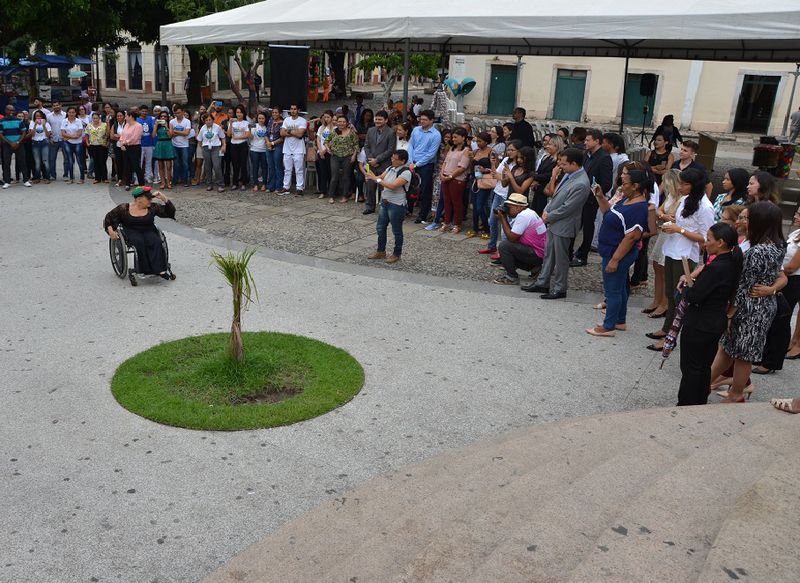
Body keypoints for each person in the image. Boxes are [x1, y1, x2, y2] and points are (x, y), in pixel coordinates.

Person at [709, 202, 786, 403]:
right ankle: (706, 383)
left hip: (751, 308)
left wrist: (729, 313)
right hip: (760, 304)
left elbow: (744, 286)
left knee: (743, 354)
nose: (743, 221)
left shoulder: (759, 251)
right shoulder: (776, 245)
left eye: (748, 218)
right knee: (728, 347)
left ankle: (736, 394)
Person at [646, 168, 715, 351]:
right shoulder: (685, 199)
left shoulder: (705, 207)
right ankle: (666, 328)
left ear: (695, 185)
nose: (680, 187)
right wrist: (671, 226)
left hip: (685, 255)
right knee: (670, 293)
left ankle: (670, 336)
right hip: (671, 249)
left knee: (679, 296)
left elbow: (707, 237)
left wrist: (680, 230)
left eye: (685, 184)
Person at [676, 223, 742, 405]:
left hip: (700, 322)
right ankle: (699, 401)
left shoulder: (716, 267)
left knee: (691, 367)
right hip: (714, 321)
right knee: (704, 366)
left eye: (709, 239)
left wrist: (685, 288)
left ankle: (687, 403)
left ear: (720, 243)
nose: (706, 242)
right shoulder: (731, 262)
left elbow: (695, 296)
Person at [586, 168, 650, 336]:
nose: (622, 185)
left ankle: (608, 326)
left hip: (618, 253)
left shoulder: (638, 207)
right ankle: (619, 321)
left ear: (636, 186)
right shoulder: (627, 199)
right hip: (612, 249)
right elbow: (608, 212)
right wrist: (600, 196)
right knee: (620, 287)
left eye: (625, 183)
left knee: (612, 290)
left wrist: (615, 259)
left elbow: (631, 237)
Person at [523, 148, 591, 299]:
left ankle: (560, 288)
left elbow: (569, 207)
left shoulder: (581, 182)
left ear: (574, 164)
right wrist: (548, 212)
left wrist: (549, 216)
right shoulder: (569, 175)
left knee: (561, 258)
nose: (561, 166)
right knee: (549, 254)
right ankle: (543, 282)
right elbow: (556, 197)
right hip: (555, 221)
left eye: (565, 164)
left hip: (564, 224)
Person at [104, 186, 176, 277]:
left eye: (151, 198)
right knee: (139, 242)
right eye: (148, 199)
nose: (150, 201)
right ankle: (144, 270)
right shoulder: (123, 208)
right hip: (131, 231)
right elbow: (109, 218)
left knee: (155, 241)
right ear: (139, 199)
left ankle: (160, 269)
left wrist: (164, 199)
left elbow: (170, 212)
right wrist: (111, 231)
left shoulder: (152, 207)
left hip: (149, 230)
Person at [569, 129, 613, 267]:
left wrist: (594, 194)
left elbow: (606, 183)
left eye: (588, 140)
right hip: (580, 196)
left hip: (590, 199)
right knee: (575, 225)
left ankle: (583, 255)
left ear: (597, 141)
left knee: (588, 226)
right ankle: (570, 252)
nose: (585, 142)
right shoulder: (587, 155)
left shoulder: (604, 158)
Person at [644, 169, 683, 318]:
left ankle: (665, 303)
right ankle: (657, 300)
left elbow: (674, 217)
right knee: (657, 265)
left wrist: (663, 215)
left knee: (666, 268)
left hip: (672, 235)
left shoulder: (682, 198)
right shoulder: (671, 196)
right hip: (664, 233)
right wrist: (664, 215)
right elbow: (660, 210)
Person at [365, 149, 412, 264]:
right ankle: (381, 251)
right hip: (385, 202)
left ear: (402, 161)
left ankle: (397, 253)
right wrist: (372, 176)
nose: (392, 160)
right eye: (392, 158)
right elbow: (380, 177)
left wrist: (377, 179)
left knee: (396, 230)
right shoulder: (390, 168)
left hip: (396, 204)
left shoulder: (406, 172)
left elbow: (392, 186)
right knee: (380, 227)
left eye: (395, 159)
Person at [492, 193, 547, 285]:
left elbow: (512, 238)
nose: (507, 210)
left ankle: (511, 277)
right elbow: (514, 234)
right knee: (509, 248)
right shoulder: (530, 212)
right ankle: (535, 268)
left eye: (509, 207)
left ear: (518, 207)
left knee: (504, 246)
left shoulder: (523, 216)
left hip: (537, 255)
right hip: (540, 254)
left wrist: (503, 219)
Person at [482, 141, 521, 253]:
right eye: (508, 150)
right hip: (498, 192)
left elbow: (508, 180)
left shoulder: (518, 165)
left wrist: (503, 177)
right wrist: (493, 164)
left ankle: (503, 251)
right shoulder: (505, 160)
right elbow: (496, 175)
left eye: (512, 150)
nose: (509, 152)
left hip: (508, 195)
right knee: (492, 220)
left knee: (506, 223)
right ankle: (492, 245)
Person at [407, 110, 442, 224]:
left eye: (425, 120)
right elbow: (411, 145)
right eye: (421, 119)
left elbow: (431, 154)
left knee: (425, 190)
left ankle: (422, 215)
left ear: (432, 120)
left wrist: (417, 164)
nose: (422, 121)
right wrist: (411, 161)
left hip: (426, 165)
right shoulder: (416, 130)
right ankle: (408, 210)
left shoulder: (436, 135)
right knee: (410, 187)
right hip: (413, 161)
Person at [438, 127, 470, 234]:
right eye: (453, 137)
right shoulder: (452, 148)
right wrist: (442, 173)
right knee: (446, 200)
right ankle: (446, 222)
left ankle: (457, 223)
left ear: (463, 137)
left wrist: (451, 176)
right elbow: (445, 162)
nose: (454, 139)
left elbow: (462, 167)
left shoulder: (466, 150)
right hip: (446, 176)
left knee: (456, 202)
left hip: (457, 179)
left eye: (456, 137)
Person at [363, 110, 395, 215]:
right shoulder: (370, 130)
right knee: (370, 186)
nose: (378, 121)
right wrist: (370, 159)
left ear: (385, 120)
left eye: (380, 119)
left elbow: (390, 150)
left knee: (383, 187)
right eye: (376, 119)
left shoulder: (391, 132)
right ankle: (369, 206)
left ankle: (384, 207)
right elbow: (366, 146)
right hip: (371, 163)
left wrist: (377, 159)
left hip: (384, 164)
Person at [325, 114, 359, 204]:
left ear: (347, 123)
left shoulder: (351, 132)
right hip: (335, 156)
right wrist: (328, 149)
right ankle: (331, 196)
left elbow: (356, 145)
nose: (341, 123)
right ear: (337, 122)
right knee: (334, 176)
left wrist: (354, 155)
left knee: (346, 176)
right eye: (340, 121)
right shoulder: (334, 132)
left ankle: (345, 196)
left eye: (344, 122)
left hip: (348, 157)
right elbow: (326, 141)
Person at [469, 132, 495, 238]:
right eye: (477, 141)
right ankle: (475, 228)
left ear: (486, 141)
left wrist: (486, 170)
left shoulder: (491, 152)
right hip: (474, 178)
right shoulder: (475, 151)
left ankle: (486, 228)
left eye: (480, 141)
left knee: (480, 206)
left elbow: (495, 168)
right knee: (474, 206)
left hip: (484, 180)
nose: (478, 143)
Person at [530, 136, 563, 215]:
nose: (547, 146)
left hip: (546, 191)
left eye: (550, 144)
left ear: (556, 146)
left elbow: (549, 175)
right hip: (538, 189)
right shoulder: (546, 157)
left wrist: (534, 177)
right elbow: (539, 171)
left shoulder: (558, 160)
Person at [279, 104, 307, 196]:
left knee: (299, 169)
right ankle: (286, 187)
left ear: (298, 110)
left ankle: (299, 188)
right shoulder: (286, 120)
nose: (293, 111)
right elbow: (282, 133)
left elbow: (300, 134)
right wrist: (295, 132)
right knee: (287, 169)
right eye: (291, 109)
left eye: (295, 109)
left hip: (298, 149)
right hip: (287, 148)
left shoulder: (302, 120)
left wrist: (289, 131)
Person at [199, 113, 226, 192]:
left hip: (216, 148)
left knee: (217, 166)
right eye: (206, 120)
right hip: (206, 148)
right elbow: (200, 140)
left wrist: (224, 145)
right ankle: (209, 184)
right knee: (207, 167)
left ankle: (220, 184)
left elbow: (223, 137)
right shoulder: (203, 128)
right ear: (204, 121)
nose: (208, 121)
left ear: (213, 120)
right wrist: (203, 147)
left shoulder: (217, 127)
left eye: (210, 120)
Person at [118, 111, 144, 191]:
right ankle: (128, 183)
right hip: (125, 147)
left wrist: (125, 142)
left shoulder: (138, 126)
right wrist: (121, 144)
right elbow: (122, 135)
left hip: (134, 147)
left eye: (126, 116)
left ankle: (141, 184)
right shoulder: (126, 125)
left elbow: (135, 137)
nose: (125, 118)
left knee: (136, 165)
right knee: (127, 165)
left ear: (131, 117)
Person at [60, 106, 86, 185]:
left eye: (73, 112)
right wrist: (71, 137)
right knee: (70, 161)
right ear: (67, 113)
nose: (71, 114)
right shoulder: (64, 121)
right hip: (68, 143)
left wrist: (67, 137)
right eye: (70, 112)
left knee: (79, 160)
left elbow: (79, 134)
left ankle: (82, 178)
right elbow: (62, 133)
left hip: (78, 143)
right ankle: (71, 178)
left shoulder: (78, 121)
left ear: (75, 113)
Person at [227, 105, 250, 191]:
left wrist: (238, 137)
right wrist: (230, 123)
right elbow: (229, 134)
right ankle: (235, 183)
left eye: (240, 112)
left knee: (243, 164)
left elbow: (247, 135)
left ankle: (244, 183)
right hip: (233, 145)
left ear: (243, 113)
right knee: (235, 164)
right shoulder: (233, 122)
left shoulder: (246, 123)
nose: (239, 114)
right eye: (237, 112)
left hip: (242, 144)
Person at [169, 107, 192, 187]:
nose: (177, 115)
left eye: (178, 113)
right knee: (176, 163)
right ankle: (175, 179)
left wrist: (175, 131)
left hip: (184, 145)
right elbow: (171, 134)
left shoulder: (187, 121)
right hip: (175, 144)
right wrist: (181, 132)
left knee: (185, 163)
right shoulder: (172, 121)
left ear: (182, 112)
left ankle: (185, 179)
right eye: (175, 113)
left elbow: (186, 133)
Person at [153, 111, 176, 190]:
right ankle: (163, 182)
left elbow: (170, 136)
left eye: (165, 116)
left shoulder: (170, 124)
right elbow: (153, 135)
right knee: (160, 165)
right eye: (161, 116)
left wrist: (166, 127)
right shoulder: (157, 125)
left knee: (169, 166)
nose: (163, 118)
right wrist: (156, 125)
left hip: (167, 143)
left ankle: (169, 182)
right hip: (160, 143)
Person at [315, 110, 335, 196]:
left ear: (331, 118)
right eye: (325, 117)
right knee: (322, 172)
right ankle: (322, 191)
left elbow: (332, 141)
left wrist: (325, 150)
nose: (326, 119)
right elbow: (318, 139)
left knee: (330, 172)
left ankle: (331, 191)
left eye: (328, 117)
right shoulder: (321, 127)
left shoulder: (334, 128)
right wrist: (320, 150)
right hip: (321, 152)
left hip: (329, 152)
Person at [46, 101, 68, 181]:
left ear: (60, 105)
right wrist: (49, 138)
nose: (56, 107)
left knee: (66, 158)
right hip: (53, 140)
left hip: (64, 139)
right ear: (52, 107)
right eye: (54, 105)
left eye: (57, 105)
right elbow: (47, 128)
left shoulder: (66, 115)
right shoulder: (48, 116)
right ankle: (52, 175)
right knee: (51, 159)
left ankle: (66, 175)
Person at [28, 110, 51, 184]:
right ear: (34, 117)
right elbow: (32, 135)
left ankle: (47, 177)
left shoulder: (47, 124)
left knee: (45, 161)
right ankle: (37, 177)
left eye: (40, 116)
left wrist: (44, 125)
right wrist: (35, 125)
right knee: (37, 162)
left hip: (44, 142)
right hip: (35, 143)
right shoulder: (32, 123)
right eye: (37, 116)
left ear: (42, 116)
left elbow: (48, 135)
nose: (39, 118)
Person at [265, 106, 284, 194]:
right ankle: (270, 186)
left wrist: (272, 143)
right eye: (273, 112)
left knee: (278, 166)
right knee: (270, 166)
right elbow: (266, 133)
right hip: (269, 145)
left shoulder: (283, 123)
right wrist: (268, 142)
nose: (274, 114)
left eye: (276, 112)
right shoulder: (270, 121)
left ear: (280, 113)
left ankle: (279, 186)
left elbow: (282, 138)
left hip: (278, 145)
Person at [86, 112, 109, 183]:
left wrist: (107, 143)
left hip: (102, 146)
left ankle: (104, 177)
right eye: (93, 118)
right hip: (93, 146)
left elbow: (108, 135)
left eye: (96, 118)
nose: (95, 119)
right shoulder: (89, 126)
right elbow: (86, 134)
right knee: (95, 162)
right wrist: (87, 143)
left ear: (99, 118)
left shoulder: (104, 125)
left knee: (102, 161)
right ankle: (97, 178)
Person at [249, 111, 269, 192]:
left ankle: (264, 184)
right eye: (259, 118)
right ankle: (256, 184)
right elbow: (250, 137)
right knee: (255, 167)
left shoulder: (267, 127)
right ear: (257, 119)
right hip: (254, 149)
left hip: (264, 150)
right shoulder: (254, 126)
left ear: (265, 119)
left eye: (263, 118)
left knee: (264, 167)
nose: (261, 120)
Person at [137, 105, 156, 184]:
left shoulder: (150, 119)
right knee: (139, 162)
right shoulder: (137, 120)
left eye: (145, 111)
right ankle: (138, 178)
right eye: (143, 111)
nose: (144, 112)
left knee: (148, 161)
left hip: (149, 143)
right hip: (140, 144)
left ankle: (148, 177)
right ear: (140, 111)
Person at [110, 110, 127, 187]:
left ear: (124, 116)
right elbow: (112, 136)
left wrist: (119, 136)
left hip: (126, 146)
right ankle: (120, 179)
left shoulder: (127, 125)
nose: (119, 117)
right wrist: (121, 137)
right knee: (118, 163)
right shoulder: (115, 125)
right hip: (117, 146)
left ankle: (126, 179)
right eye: (118, 116)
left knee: (126, 163)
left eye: (121, 116)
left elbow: (128, 136)